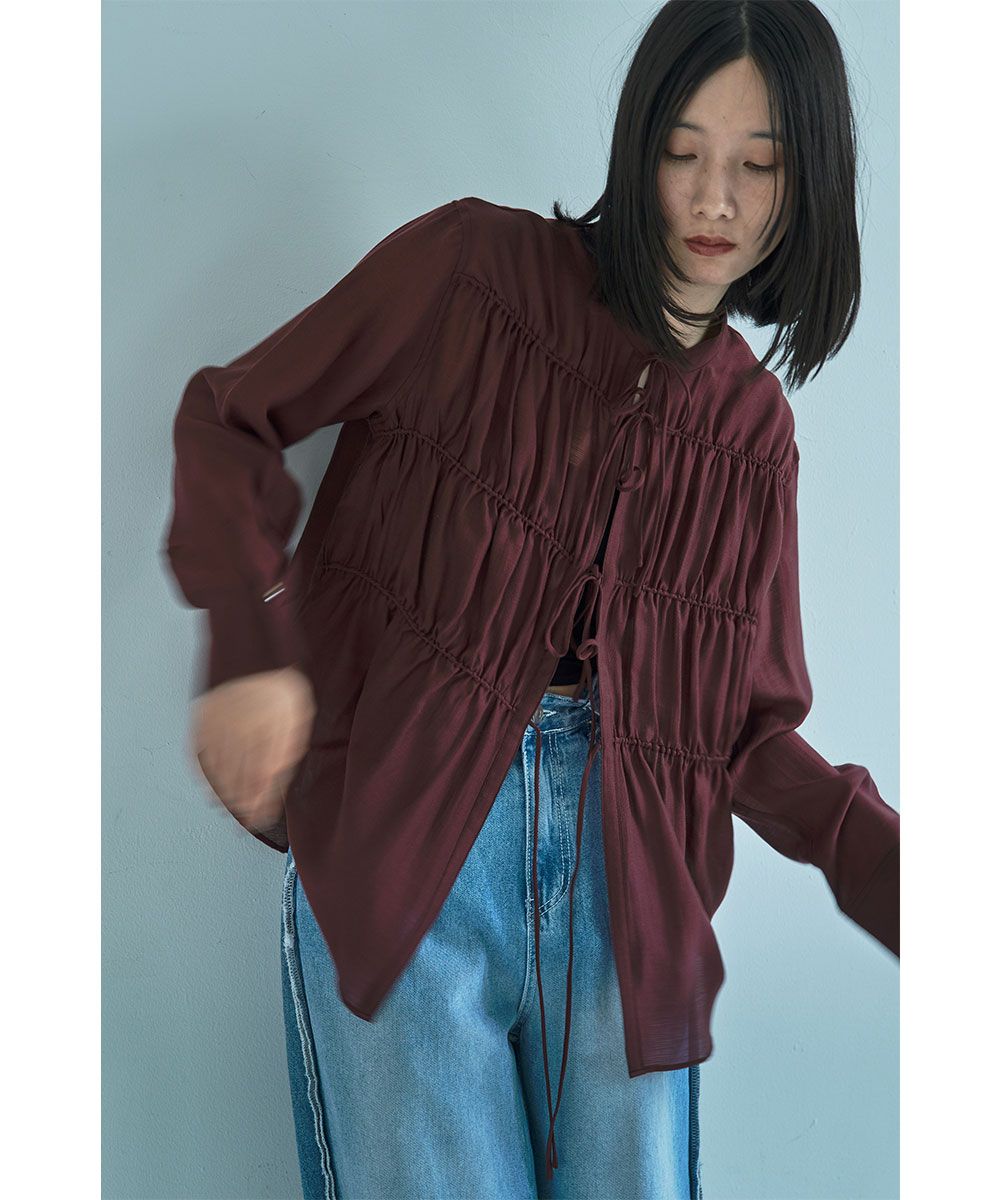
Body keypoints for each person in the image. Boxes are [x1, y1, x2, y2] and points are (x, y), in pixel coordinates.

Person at [162, 3, 899, 1197]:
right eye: (681, 151)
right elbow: (231, 415)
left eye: (759, 166)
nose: (713, 199)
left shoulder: (753, 434)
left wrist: (897, 873)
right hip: (409, 849)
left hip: (632, 905)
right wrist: (248, 650)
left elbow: (743, 734)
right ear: (636, 144)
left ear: (806, 183)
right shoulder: (468, 273)